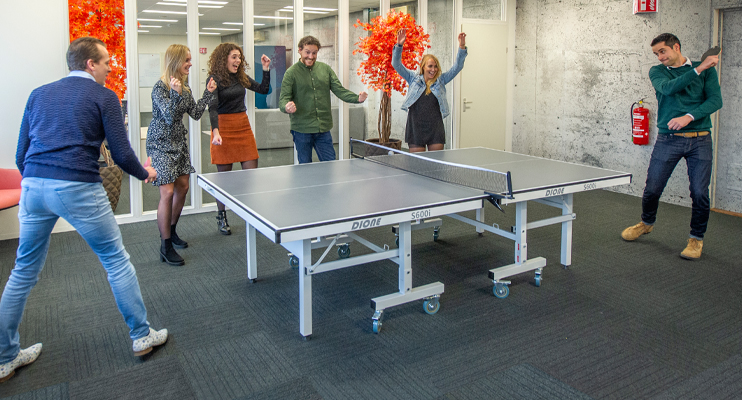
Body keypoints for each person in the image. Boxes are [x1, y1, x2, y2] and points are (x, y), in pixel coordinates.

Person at [1, 37, 168, 384]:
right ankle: (141, 336)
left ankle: (5, 357)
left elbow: (21, 152)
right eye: (106, 61)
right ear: (90, 64)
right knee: (115, 259)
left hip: (33, 185)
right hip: (77, 185)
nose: (110, 67)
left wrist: (36, 178)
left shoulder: (38, 94)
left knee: (23, 271)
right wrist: (145, 173)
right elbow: (122, 154)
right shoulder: (103, 96)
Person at [621, 33, 722, 260]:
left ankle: (696, 239)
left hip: (700, 139)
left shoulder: (707, 70)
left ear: (676, 47)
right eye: (656, 53)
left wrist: (689, 116)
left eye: (662, 51)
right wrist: (698, 69)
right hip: (669, 140)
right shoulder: (657, 72)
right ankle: (646, 223)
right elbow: (668, 89)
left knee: (699, 192)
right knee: (653, 188)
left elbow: (716, 100)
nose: (659, 57)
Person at [147, 44, 217, 266]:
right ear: (175, 61)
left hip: (178, 142)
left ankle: (172, 230)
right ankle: (165, 245)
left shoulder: (185, 88)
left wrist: (208, 93)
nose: (190, 63)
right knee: (167, 192)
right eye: (187, 60)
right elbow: (168, 116)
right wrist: (175, 94)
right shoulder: (160, 87)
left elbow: (195, 114)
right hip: (159, 143)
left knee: (183, 187)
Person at [207, 43, 271, 235]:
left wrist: (266, 69)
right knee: (224, 179)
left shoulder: (240, 77)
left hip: (242, 125)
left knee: (251, 174)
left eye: (239, 57)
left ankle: (251, 213)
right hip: (223, 127)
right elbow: (212, 107)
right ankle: (221, 215)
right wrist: (215, 131)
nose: (238, 61)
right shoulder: (214, 79)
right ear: (224, 58)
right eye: (234, 57)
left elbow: (263, 89)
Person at [279, 35, 368, 164]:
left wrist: (357, 99)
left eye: (314, 53)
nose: (311, 56)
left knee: (330, 164)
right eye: (307, 52)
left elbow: (340, 90)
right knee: (305, 167)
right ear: (299, 50)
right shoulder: (291, 73)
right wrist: (286, 107)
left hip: (323, 129)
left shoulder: (325, 69)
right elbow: (283, 100)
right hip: (302, 130)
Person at [392, 29, 467, 152]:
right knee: (417, 165)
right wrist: (399, 45)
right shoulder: (413, 78)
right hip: (415, 126)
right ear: (423, 67)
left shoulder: (441, 80)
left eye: (436, 66)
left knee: (435, 166)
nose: (433, 69)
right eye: (430, 66)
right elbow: (396, 64)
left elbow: (457, 67)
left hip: (435, 127)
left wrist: (462, 47)